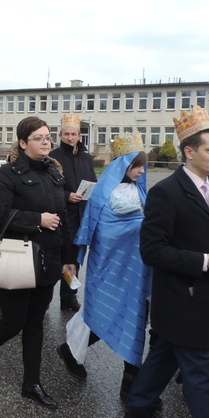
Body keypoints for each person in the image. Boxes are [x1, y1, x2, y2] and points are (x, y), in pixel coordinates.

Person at [125, 106, 209, 418]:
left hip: (204, 297)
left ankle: (138, 404)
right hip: (180, 299)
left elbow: (206, 238)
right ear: (189, 152)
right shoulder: (166, 193)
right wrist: (206, 261)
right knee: (198, 375)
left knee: (165, 354)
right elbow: (151, 251)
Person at [0, 116, 76, 409]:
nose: (46, 142)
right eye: (39, 138)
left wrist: (70, 259)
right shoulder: (8, 174)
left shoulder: (55, 173)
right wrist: (36, 220)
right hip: (18, 259)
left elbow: (63, 219)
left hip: (49, 261)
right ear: (22, 143)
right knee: (13, 321)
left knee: (35, 323)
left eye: (48, 138)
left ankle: (31, 383)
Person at [58, 133, 151, 401]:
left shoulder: (139, 190)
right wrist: (141, 227)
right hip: (110, 265)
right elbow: (102, 232)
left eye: (143, 167)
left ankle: (130, 384)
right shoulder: (104, 193)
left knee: (133, 319)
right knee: (107, 312)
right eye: (136, 166)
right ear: (124, 166)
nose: (141, 171)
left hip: (136, 267)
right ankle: (70, 350)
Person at [48, 113, 98, 311]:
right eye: (66, 134)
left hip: (82, 215)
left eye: (74, 134)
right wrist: (67, 195)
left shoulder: (86, 158)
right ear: (60, 135)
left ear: (79, 135)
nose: (70, 137)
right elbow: (49, 186)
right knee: (58, 257)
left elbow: (93, 181)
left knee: (75, 257)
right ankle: (44, 298)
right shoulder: (53, 157)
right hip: (61, 214)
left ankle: (68, 296)